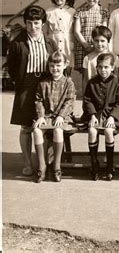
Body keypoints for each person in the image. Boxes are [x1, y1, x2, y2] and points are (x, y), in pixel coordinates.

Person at [7, 5, 54, 176]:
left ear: (42, 23)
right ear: (25, 23)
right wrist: (19, 82)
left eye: (36, 23)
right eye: (29, 23)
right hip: (26, 85)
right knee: (26, 127)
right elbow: (11, 66)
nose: (32, 27)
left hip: (46, 84)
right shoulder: (18, 42)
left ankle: (46, 161)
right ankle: (27, 163)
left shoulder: (50, 41)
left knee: (46, 124)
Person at [32, 51, 75, 183]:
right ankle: (42, 166)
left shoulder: (69, 83)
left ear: (65, 65)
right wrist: (41, 116)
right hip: (47, 116)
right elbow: (38, 100)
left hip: (63, 117)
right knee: (37, 131)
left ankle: (56, 166)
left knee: (57, 130)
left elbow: (70, 101)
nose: (55, 68)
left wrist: (61, 116)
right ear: (48, 66)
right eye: (52, 65)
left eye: (58, 65)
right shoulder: (43, 83)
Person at [83, 53, 119, 181]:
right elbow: (87, 100)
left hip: (112, 116)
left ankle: (109, 166)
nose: (103, 70)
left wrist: (112, 117)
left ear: (112, 67)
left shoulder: (118, 82)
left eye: (106, 67)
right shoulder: (92, 82)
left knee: (108, 131)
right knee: (92, 130)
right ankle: (94, 164)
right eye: (100, 67)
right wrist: (92, 115)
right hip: (95, 115)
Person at [73, 0, 109, 72]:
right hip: (83, 46)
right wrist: (86, 46)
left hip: (98, 47)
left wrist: (97, 47)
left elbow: (104, 32)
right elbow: (76, 31)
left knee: (100, 69)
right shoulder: (80, 11)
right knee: (86, 72)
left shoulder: (103, 12)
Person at [44, 0, 76, 72]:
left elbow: (74, 30)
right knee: (55, 67)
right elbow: (45, 32)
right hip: (54, 44)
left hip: (67, 45)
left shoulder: (72, 12)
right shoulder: (48, 12)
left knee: (67, 68)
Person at [82, 26, 119, 92]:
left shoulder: (115, 58)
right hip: (93, 92)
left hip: (109, 92)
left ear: (108, 41)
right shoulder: (87, 58)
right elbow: (85, 80)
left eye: (102, 41)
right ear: (93, 40)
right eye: (96, 41)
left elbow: (117, 78)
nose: (99, 44)